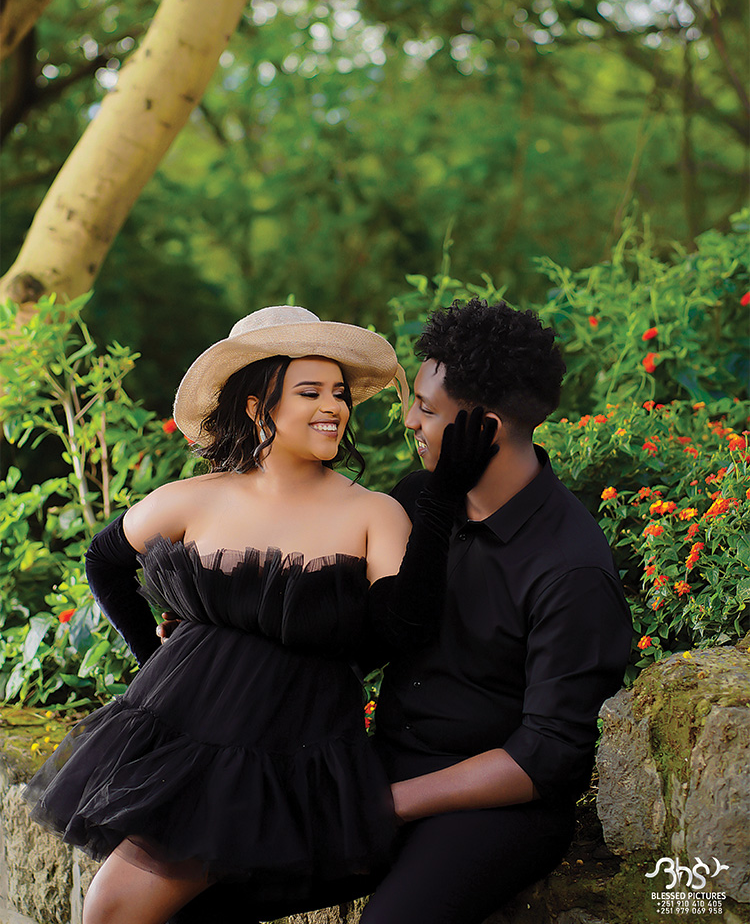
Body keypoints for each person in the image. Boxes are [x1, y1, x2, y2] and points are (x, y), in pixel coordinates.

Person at [23, 305, 498, 924]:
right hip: (187, 728)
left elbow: (405, 628)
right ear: (257, 407)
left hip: (286, 742)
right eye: (310, 392)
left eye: (339, 393)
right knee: (117, 910)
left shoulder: (372, 513)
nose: (333, 407)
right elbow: (103, 561)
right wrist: (153, 656)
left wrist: (440, 497)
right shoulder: (197, 499)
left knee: (116, 909)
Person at [169, 297, 633, 924]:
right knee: (188, 894)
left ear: (486, 429)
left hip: (490, 809)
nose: (409, 419)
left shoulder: (570, 567)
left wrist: (390, 802)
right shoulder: (417, 501)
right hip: (377, 770)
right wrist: (215, 631)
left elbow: (548, 756)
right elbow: (349, 635)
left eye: (426, 408)